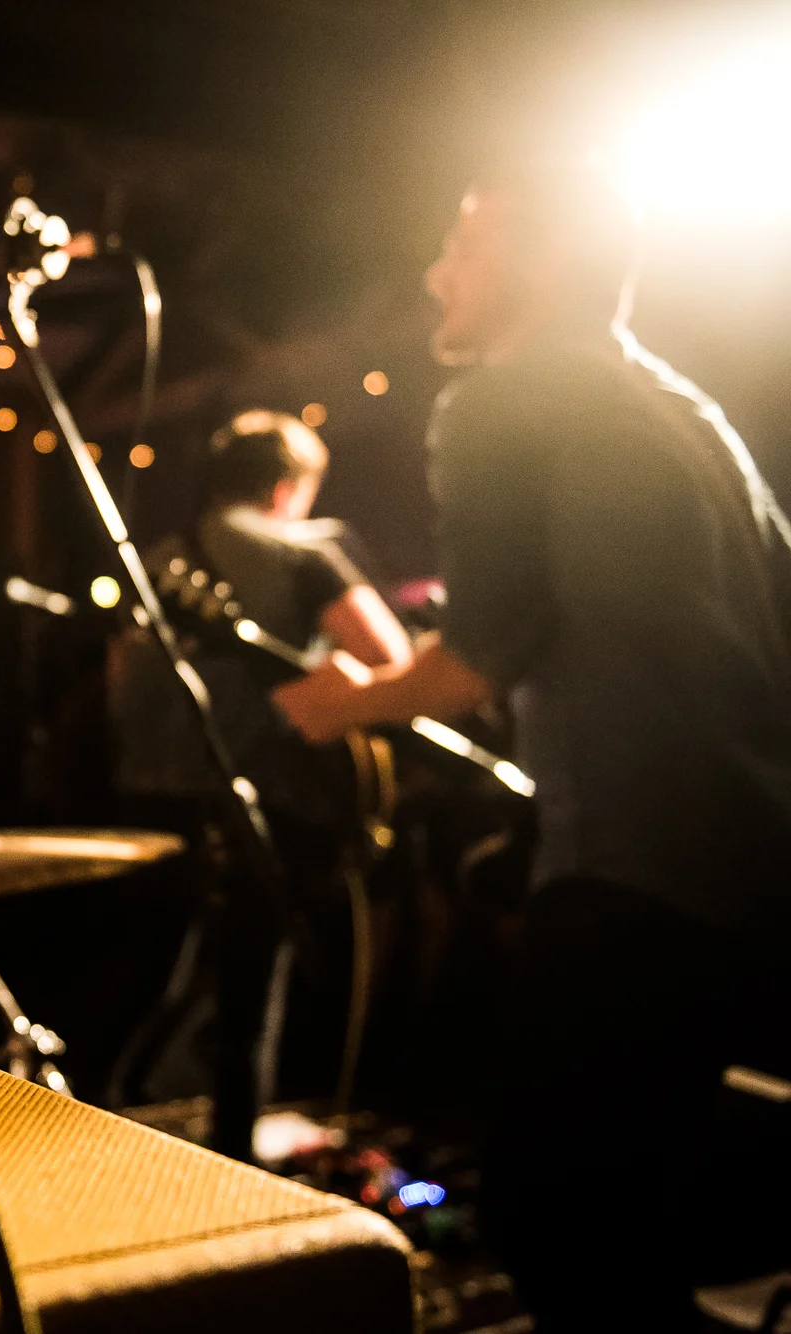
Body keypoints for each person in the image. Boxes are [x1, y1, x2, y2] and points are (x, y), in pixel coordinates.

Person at [274, 161, 791, 1330]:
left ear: (542, 260)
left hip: (630, 863)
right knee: (638, 1222)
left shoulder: (501, 400)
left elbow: (475, 656)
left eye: (465, 245)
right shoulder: (687, 411)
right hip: (751, 868)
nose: (434, 274)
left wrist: (346, 699)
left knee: (551, 1218)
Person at [109, 411, 413, 1150]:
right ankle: (236, 1160)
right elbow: (390, 659)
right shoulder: (301, 554)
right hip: (261, 809)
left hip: (149, 807)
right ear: (286, 489)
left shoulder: (158, 561)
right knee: (245, 1012)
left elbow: (119, 686)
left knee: (146, 992)